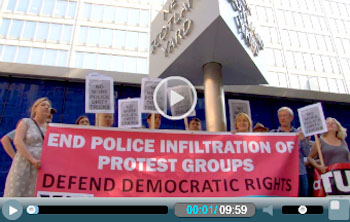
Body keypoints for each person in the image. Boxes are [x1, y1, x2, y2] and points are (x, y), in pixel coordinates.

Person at [4, 97, 52, 197]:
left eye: (48, 106)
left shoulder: (50, 128)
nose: (46, 107)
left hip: (40, 168)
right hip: (24, 165)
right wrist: (21, 158)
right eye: (43, 105)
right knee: (16, 193)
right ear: (35, 109)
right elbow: (17, 140)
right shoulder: (26, 122)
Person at [270, 106, 310, 197]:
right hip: (280, 174)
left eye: (285, 116)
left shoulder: (298, 134)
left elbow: (307, 154)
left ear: (291, 118)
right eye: (280, 116)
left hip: (299, 173)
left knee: (302, 200)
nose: (282, 118)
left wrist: (303, 140)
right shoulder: (273, 134)